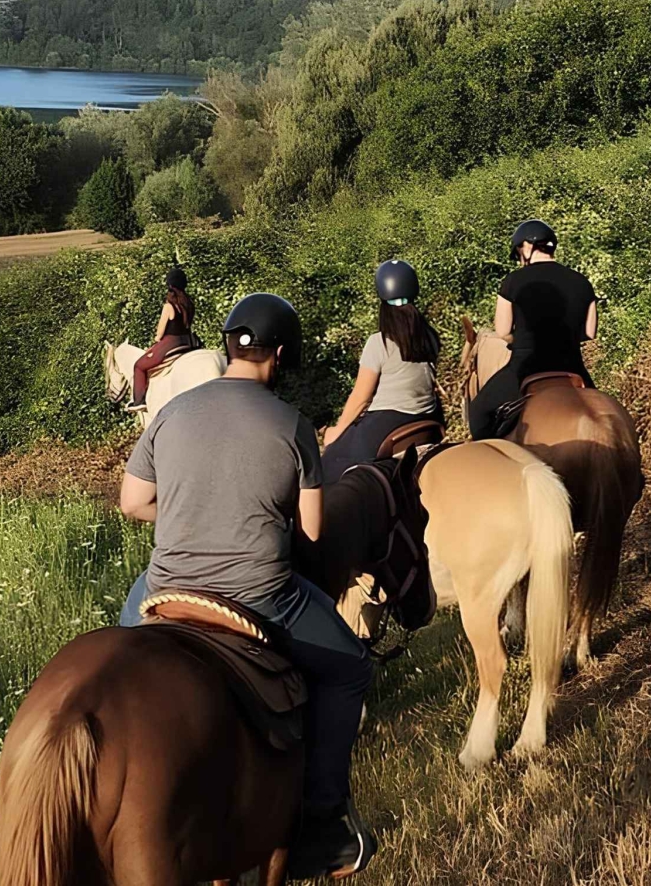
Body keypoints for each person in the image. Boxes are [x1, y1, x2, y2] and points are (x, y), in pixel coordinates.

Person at [117, 293, 377, 880]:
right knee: (350, 667)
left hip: (166, 585)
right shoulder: (291, 425)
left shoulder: (171, 412)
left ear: (228, 345)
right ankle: (323, 822)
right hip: (260, 594)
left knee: (123, 656)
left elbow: (132, 502)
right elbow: (313, 529)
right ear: (280, 355)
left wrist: (191, 513)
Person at [465, 219, 597, 441]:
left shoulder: (512, 281)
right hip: (573, 368)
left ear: (527, 247)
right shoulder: (583, 282)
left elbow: (502, 331)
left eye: (518, 251)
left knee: (479, 413)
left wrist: (521, 339)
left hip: (525, 368)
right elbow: (590, 333)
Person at [320, 259, 442, 483]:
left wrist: (336, 432)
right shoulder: (431, 337)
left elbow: (361, 397)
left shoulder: (379, 343)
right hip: (427, 417)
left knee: (329, 465)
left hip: (388, 422)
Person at [127, 266, 199, 412]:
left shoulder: (169, 306)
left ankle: (139, 401)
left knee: (139, 366)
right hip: (189, 343)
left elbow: (160, 334)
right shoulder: (189, 304)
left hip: (171, 343)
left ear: (170, 286)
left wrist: (155, 339)